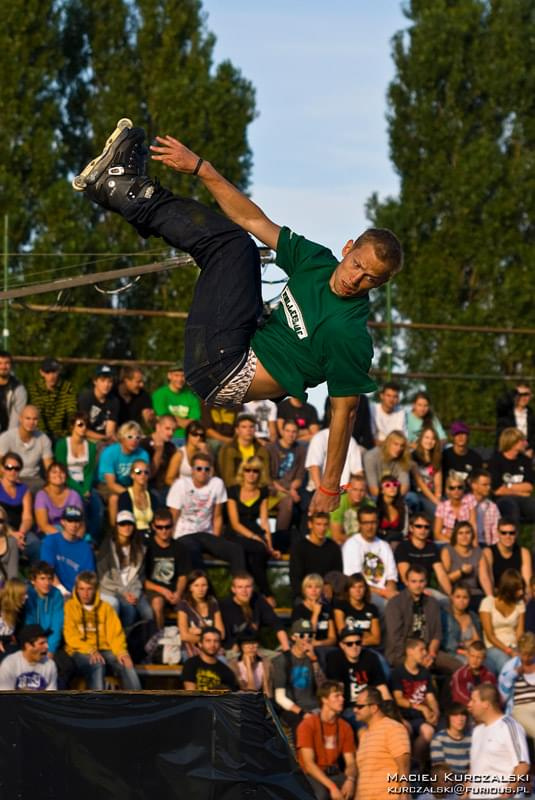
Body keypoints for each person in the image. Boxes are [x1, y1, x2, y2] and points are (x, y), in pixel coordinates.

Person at [76, 123, 403, 519]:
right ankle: (123, 192)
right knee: (236, 242)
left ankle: (125, 190)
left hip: (226, 371)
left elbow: (345, 411)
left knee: (232, 248)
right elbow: (253, 220)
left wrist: (330, 486)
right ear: (348, 248)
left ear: (381, 283)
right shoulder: (316, 260)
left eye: (371, 279)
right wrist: (201, 167)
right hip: (234, 341)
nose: (356, 279)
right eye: (357, 265)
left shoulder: (348, 333)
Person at [167, 451, 244, 573]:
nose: (203, 472)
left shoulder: (217, 483)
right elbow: (173, 517)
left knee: (236, 550)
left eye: (206, 469)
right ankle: (204, 589)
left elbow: (217, 517)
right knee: (193, 552)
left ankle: (240, 586)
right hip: (183, 535)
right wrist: (170, 542)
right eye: (199, 468)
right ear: (192, 470)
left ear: (211, 470)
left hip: (206, 534)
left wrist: (215, 542)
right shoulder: (180, 485)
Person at [64, 570, 141, 690]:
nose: (85, 593)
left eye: (89, 589)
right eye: (82, 589)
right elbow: (71, 637)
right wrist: (90, 650)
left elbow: (115, 635)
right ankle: (98, 705)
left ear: (95, 589)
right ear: (77, 589)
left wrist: (121, 652)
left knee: (126, 662)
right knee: (97, 663)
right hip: (80, 651)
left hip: (104, 650)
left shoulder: (105, 608)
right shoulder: (70, 607)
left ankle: (139, 703)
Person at [385, 564, 461, 673]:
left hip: (427, 652)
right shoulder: (395, 603)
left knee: (459, 667)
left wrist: (431, 653)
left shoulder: (432, 603)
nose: (418, 585)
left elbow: (436, 634)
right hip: (402, 653)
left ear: (426, 582)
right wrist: (416, 657)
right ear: (406, 582)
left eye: (421, 581)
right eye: (414, 581)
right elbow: (395, 638)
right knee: (418, 668)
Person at [226, 456, 279, 601]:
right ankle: (267, 593)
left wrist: (270, 546)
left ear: (260, 473)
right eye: (247, 470)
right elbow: (235, 523)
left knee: (259, 553)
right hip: (235, 533)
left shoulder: (263, 492)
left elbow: (264, 521)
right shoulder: (233, 490)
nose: (251, 474)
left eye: (255, 471)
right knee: (255, 549)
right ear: (242, 472)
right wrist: (256, 538)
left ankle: (248, 595)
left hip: (254, 531)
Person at [296, 680, 357, 800]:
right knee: (321, 795)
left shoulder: (345, 726)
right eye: (337, 696)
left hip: (334, 773)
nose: (342, 699)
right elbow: (308, 764)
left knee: (354, 789)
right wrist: (332, 787)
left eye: (342, 695)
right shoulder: (308, 724)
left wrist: (351, 780)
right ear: (324, 699)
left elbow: (351, 762)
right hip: (312, 775)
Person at [468, 683, 529, 798]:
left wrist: (505, 796)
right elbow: (474, 767)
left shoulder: (509, 726)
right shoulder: (477, 731)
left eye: (473, 701)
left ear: (486, 704)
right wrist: (465, 793)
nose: (469, 704)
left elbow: (523, 765)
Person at [97, 510, 153, 628]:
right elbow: (104, 578)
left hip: (133, 590)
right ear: (117, 526)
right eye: (122, 524)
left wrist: (135, 594)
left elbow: (140, 577)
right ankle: (124, 640)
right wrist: (124, 593)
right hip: (113, 590)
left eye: (129, 524)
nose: (126, 527)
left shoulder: (140, 549)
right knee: (129, 611)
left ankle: (148, 643)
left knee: (148, 613)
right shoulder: (107, 548)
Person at [391, 637, 440, 769]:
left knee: (428, 731)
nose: (425, 653)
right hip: (404, 716)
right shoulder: (398, 673)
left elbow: (431, 698)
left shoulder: (424, 673)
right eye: (421, 649)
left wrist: (435, 712)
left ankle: (415, 765)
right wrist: (422, 708)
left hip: (420, 718)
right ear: (410, 651)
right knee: (406, 728)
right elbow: (398, 699)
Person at [354, 686, 411, 800]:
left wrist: (404, 796)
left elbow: (404, 768)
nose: (355, 710)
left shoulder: (393, 728)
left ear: (374, 708)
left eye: (360, 706)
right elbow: (363, 776)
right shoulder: (364, 734)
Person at [54, 412, 102, 544]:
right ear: (72, 427)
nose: (83, 428)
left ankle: (94, 538)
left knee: (98, 507)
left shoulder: (91, 447)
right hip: (67, 482)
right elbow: (62, 471)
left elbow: (89, 471)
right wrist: (81, 491)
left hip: (85, 483)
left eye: (86, 425)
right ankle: (81, 535)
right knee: (79, 501)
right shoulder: (62, 444)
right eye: (80, 424)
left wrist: (86, 488)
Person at [341, 507, 398, 614]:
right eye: (365, 523)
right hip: (363, 593)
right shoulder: (352, 544)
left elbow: (391, 578)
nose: (369, 527)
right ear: (359, 524)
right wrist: (383, 593)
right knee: (389, 608)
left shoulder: (384, 545)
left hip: (384, 591)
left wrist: (390, 592)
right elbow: (354, 581)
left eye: (373, 522)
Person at [272, 618, 325, 732]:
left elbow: (323, 688)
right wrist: (302, 713)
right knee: (303, 727)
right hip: (293, 709)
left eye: (310, 635)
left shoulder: (317, 656)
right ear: (293, 637)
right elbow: (280, 698)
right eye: (301, 635)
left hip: (315, 706)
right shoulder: (282, 660)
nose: (306, 639)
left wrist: (314, 660)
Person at [325, 628, 390, 719]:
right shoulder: (335, 659)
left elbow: (381, 687)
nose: (354, 647)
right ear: (342, 645)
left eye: (358, 643)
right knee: (366, 729)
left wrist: (392, 713)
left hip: (372, 707)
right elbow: (337, 691)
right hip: (349, 708)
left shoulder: (371, 657)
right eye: (349, 644)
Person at [219, 571, 289, 653]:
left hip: (256, 650)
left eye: (248, 587)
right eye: (240, 587)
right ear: (233, 589)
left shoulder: (258, 600)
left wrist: (287, 649)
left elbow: (276, 623)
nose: (244, 591)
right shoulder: (224, 606)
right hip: (232, 651)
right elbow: (223, 639)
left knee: (280, 659)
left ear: (252, 588)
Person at [143, 508, 191, 628]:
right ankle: (159, 638)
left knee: (191, 602)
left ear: (172, 526)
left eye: (167, 527)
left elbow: (183, 575)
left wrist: (178, 593)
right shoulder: (146, 547)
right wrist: (162, 591)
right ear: (153, 527)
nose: (164, 531)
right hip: (153, 590)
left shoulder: (180, 547)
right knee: (157, 602)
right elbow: (141, 579)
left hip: (175, 591)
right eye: (160, 527)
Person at [97, 420, 150, 523]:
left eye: (137, 437)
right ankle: (114, 531)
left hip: (131, 483)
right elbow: (111, 484)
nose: (134, 440)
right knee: (114, 499)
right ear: (121, 438)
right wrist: (130, 494)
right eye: (130, 437)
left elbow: (144, 478)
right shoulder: (110, 453)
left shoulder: (143, 454)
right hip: (107, 485)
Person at [40, 505, 95, 595]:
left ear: (81, 523)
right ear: (63, 522)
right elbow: (47, 570)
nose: (73, 525)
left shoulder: (85, 547)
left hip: (78, 595)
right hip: (53, 591)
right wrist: (62, 590)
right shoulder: (50, 541)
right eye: (70, 521)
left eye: (77, 521)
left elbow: (87, 577)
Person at [395, 513, 452, 600]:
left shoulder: (432, 548)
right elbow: (405, 576)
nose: (423, 530)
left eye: (426, 527)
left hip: (426, 588)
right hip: (406, 589)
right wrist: (420, 591)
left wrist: (450, 594)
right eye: (419, 526)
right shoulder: (403, 547)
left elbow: (441, 574)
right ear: (411, 528)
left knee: (447, 602)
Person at [479, 568, 526, 675]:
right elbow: (490, 635)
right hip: (494, 646)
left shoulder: (520, 604)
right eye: (518, 589)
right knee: (507, 664)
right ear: (509, 589)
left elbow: (519, 632)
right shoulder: (488, 602)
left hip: (514, 645)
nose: (521, 592)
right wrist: (508, 651)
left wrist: (519, 650)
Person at [488, 427, 535, 528]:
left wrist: (507, 487)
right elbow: (497, 490)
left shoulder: (525, 460)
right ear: (513, 442)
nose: (525, 443)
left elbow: (529, 486)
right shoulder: (496, 461)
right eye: (522, 440)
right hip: (502, 500)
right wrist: (520, 492)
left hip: (523, 500)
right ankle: (512, 542)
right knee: (511, 508)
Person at [440, 521, 493, 610]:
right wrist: (460, 572)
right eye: (460, 533)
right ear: (455, 536)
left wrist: (490, 598)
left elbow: (484, 578)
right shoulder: (447, 551)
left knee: (486, 606)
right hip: (454, 593)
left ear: (472, 535)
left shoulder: (478, 552)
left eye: (467, 533)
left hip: (473, 593)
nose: (464, 536)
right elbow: (444, 579)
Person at [0, 405, 53, 493]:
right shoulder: (6, 437)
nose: (31, 422)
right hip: (12, 478)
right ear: (20, 419)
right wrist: (11, 478)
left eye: (35, 419)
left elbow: (49, 467)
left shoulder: (43, 439)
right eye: (28, 418)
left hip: (34, 480)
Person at [290, 511, 343, 599]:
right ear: (310, 525)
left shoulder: (333, 547)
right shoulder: (299, 547)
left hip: (328, 596)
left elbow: (337, 575)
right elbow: (295, 578)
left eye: (325, 524)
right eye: (318, 524)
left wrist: (329, 586)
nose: (322, 528)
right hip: (304, 596)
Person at [305, 426, 363, 504]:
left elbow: (358, 472)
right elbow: (314, 467)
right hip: (317, 490)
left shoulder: (351, 441)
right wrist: (321, 494)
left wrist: (356, 491)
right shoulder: (319, 438)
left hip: (343, 493)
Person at [267, 419, 306, 534]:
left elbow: (300, 476)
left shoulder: (300, 450)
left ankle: (298, 537)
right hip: (272, 487)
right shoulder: (270, 448)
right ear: (282, 431)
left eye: (294, 432)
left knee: (305, 503)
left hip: (291, 487)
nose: (291, 434)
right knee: (288, 501)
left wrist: (293, 489)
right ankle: (280, 537)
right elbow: (267, 477)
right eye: (288, 431)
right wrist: (288, 491)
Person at [177, 570, 224, 658]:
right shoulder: (183, 605)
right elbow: (184, 636)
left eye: (204, 585)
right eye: (196, 585)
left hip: (213, 650)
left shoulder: (213, 603)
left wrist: (201, 632)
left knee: (222, 661)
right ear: (190, 587)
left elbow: (221, 633)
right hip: (190, 650)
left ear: (208, 587)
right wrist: (209, 639)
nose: (200, 589)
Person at [28, 358, 76, 443]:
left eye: (54, 372)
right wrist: (45, 438)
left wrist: (70, 433)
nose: (51, 376)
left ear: (59, 372)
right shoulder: (35, 388)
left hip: (63, 434)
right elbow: (38, 414)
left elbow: (71, 411)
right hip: (40, 434)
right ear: (42, 373)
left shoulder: (67, 387)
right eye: (48, 372)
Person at [151, 361, 201, 443]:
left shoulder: (192, 396)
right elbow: (162, 419)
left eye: (182, 376)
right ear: (169, 376)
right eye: (176, 375)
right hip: (166, 438)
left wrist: (173, 420)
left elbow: (194, 423)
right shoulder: (159, 394)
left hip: (188, 438)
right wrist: (185, 422)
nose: (180, 379)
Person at [217, 413, 270, 488]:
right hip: (235, 489)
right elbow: (228, 479)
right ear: (237, 430)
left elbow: (266, 477)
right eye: (244, 427)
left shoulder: (262, 450)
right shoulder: (228, 449)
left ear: (255, 430)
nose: (248, 430)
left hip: (258, 489)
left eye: (251, 427)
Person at [498, 631, 535, 738]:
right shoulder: (511, 666)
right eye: (524, 654)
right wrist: (514, 673)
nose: (526, 658)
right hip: (520, 708)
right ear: (519, 652)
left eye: (530, 654)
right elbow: (502, 697)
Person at [24, 561, 64, 660]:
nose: (47, 583)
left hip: (50, 642)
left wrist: (50, 650)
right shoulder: (27, 595)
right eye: (42, 578)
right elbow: (29, 625)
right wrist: (38, 648)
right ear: (33, 580)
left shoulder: (56, 595)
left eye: (49, 578)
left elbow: (57, 625)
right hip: (32, 642)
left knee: (66, 665)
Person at [0, 624, 57, 690]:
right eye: (41, 643)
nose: (47, 646)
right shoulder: (9, 664)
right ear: (28, 646)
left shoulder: (50, 665)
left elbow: (51, 697)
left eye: (46, 642)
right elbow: (6, 697)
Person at [291, 574, 337, 656]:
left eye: (317, 587)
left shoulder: (327, 608)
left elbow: (333, 638)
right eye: (309, 587)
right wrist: (315, 614)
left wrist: (319, 643)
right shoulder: (298, 610)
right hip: (304, 648)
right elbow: (308, 637)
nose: (314, 590)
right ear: (304, 590)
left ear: (321, 590)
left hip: (324, 646)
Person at [181, 626, 239, 691]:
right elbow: (190, 692)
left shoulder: (226, 671)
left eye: (216, 641)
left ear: (220, 644)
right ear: (200, 644)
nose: (212, 644)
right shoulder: (191, 664)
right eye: (208, 641)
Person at [483, 519, 532, 594]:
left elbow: (527, 583)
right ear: (497, 533)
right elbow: (487, 579)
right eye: (503, 533)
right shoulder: (488, 552)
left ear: (516, 534)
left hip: (517, 595)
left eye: (511, 533)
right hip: (496, 595)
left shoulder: (524, 552)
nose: (507, 536)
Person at [34, 462, 83, 536]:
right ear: (48, 476)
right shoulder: (41, 495)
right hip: (48, 533)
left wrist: (77, 538)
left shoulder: (74, 495)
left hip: (73, 533)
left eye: (62, 472)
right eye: (54, 472)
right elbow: (43, 525)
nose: (58, 475)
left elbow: (81, 523)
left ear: (66, 476)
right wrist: (65, 537)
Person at [332, 573, 380, 647]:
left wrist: (354, 636)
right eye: (353, 587)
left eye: (360, 587)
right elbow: (342, 634)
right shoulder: (340, 606)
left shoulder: (372, 608)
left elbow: (376, 640)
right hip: (347, 648)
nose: (357, 590)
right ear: (348, 590)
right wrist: (365, 634)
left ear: (365, 589)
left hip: (367, 649)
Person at [117, 459, 160, 538]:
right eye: (138, 472)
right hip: (132, 536)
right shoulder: (125, 497)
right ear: (132, 475)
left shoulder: (152, 497)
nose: (142, 475)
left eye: (146, 472)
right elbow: (125, 522)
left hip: (150, 535)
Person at [0, 452, 33, 556]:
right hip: (2, 530)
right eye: (9, 467)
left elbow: (27, 518)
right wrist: (11, 534)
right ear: (3, 469)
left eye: (16, 468)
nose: (12, 471)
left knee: (35, 544)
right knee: (10, 544)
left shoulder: (24, 490)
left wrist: (21, 533)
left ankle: (39, 572)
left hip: (20, 530)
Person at [77, 365, 119, 443]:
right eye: (103, 380)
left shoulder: (114, 401)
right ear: (95, 381)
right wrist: (104, 438)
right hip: (85, 439)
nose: (106, 385)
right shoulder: (85, 398)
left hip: (104, 441)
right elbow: (81, 428)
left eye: (109, 381)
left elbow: (110, 431)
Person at [139, 414, 177, 503]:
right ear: (158, 427)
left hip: (165, 486)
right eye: (167, 429)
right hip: (148, 486)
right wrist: (158, 452)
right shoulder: (144, 444)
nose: (171, 433)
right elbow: (149, 474)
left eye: (173, 430)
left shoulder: (171, 447)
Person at [329, 475, 374, 546]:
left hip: (361, 544)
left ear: (366, 491)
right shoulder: (338, 503)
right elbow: (336, 536)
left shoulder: (370, 505)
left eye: (361, 490)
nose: (358, 494)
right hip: (336, 544)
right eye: (355, 489)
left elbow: (372, 532)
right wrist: (359, 542)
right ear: (349, 489)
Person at [441, 583, 482, 661]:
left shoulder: (472, 616)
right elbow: (449, 645)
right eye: (458, 597)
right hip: (451, 654)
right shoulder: (445, 616)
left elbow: (478, 641)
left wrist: (466, 647)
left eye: (465, 597)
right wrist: (466, 648)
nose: (461, 601)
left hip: (473, 654)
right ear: (452, 597)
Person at [363, 430, 410, 498]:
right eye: (396, 444)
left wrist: (393, 499)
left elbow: (405, 486)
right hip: (375, 495)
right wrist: (387, 500)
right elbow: (373, 490)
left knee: (412, 498)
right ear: (388, 443)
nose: (399, 448)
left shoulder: (403, 458)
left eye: (402, 446)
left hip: (395, 495)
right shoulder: (371, 457)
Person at [408, 425, 442, 517]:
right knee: (437, 511)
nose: (429, 441)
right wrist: (436, 502)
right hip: (419, 493)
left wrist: (438, 497)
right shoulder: (413, 456)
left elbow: (438, 484)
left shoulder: (436, 457)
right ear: (421, 439)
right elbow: (421, 484)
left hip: (433, 493)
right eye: (426, 437)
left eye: (433, 438)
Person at [433, 471, 477, 544]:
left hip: (467, 540)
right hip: (447, 541)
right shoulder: (442, 506)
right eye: (452, 488)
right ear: (447, 490)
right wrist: (455, 543)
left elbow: (473, 526)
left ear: (463, 488)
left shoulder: (470, 499)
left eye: (459, 487)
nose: (456, 490)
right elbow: (437, 533)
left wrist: (474, 546)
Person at [450, 640, 496, 706]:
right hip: (467, 710)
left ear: (484, 659)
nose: (475, 660)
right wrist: (477, 706)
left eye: (479, 658)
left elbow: (495, 696)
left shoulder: (489, 675)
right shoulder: (460, 675)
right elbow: (459, 697)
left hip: (485, 709)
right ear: (467, 655)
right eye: (472, 656)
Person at [430, 703, 471, 776]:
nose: (460, 719)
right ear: (448, 718)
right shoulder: (439, 739)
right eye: (455, 715)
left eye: (463, 715)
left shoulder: (471, 738)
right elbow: (439, 768)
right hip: (446, 781)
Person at [228, 629, 273, 695]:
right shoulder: (233, 666)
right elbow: (250, 692)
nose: (251, 647)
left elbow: (267, 692)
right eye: (247, 643)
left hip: (261, 702)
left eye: (254, 643)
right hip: (241, 702)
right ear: (241, 646)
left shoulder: (265, 663)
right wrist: (249, 666)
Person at [496, 382, 535, 458]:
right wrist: (514, 392)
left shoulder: (531, 415)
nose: (523, 398)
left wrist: (531, 449)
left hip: (526, 454)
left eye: (526, 395)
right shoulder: (505, 413)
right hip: (506, 453)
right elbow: (501, 402)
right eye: (520, 395)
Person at [441, 421, 483, 491]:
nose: (460, 437)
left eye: (463, 433)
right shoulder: (445, 455)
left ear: (468, 436)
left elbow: (477, 482)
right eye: (457, 434)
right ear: (452, 437)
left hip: (468, 495)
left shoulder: (476, 458)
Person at [467, 469, 500, 547]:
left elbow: (496, 533)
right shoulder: (465, 503)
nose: (488, 488)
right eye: (485, 485)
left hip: (486, 545)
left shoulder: (492, 506)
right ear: (474, 485)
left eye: (489, 485)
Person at [375, 473, 408, 544]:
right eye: (387, 485)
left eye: (395, 485)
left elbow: (404, 532)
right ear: (382, 490)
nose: (392, 487)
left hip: (397, 541)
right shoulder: (376, 506)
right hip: (378, 541)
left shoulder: (403, 506)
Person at [0, 578, 28, 659]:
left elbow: (18, 630)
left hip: (9, 642)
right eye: (22, 595)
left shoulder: (20, 609)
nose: (26, 597)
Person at [0, 350, 27, 433]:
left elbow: (15, 420)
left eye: (7, 363)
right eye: (0, 363)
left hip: (10, 434)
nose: (3, 367)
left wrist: (7, 440)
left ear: (11, 366)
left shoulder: (18, 389)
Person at [0, 506, 19, 583]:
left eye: (0, 521)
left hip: (5, 589)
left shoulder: (12, 542)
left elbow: (12, 575)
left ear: (4, 523)